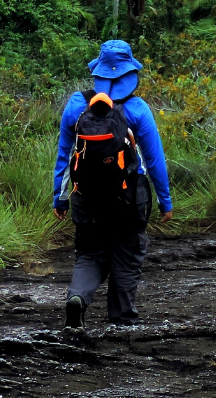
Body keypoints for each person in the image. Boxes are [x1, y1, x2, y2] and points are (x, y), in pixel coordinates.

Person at [54, 40, 174, 328]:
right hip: (130, 198)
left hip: (85, 196)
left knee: (89, 253)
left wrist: (59, 198)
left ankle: (79, 298)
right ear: (129, 73)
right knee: (126, 254)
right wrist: (165, 201)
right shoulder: (137, 109)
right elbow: (155, 160)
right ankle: (122, 321)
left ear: (99, 72)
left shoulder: (76, 105)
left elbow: (64, 155)